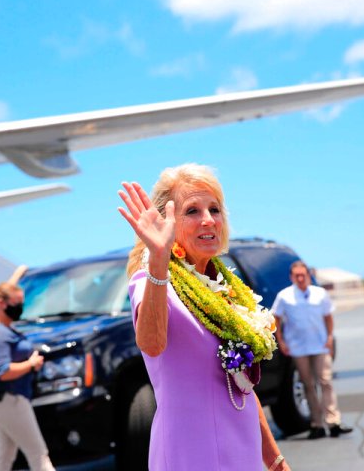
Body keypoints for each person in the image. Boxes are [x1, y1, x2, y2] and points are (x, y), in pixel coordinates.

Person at [119, 164, 290, 471]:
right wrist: (159, 259)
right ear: (164, 222)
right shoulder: (154, 281)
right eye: (192, 211)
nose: (208, 220)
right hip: (191, 450)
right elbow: (151, 344)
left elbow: (242, 386)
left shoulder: (227, 291)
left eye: (214, 208)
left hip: (242, 448)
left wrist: (275, 460)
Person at [271, 261, 353, 439]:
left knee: (325, 381)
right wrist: (281, 341)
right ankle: (317, 423)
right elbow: (275, 318)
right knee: (308, 385)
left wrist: (330, 337)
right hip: (298, 347)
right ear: (291, 277)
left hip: (320, 344)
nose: (300, 279)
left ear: (309, 275)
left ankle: (333, 421)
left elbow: (328, 316)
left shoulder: (320, 293)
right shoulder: (284, 296)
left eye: (303, 275)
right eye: (296, 276)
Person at [0, 283, 55, 471]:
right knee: (38, 454)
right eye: (17, 302)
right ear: (1, 303)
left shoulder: (4, 330)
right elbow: (3, 371)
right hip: (9, 398)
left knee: (4, 457)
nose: (20, 307)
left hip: (8, 398)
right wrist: (31, 364)